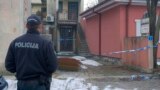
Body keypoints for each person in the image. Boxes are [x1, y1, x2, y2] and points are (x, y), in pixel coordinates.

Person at [5, 14, 58, 90]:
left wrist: (22, 69)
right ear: (40, 26)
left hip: (22, 84)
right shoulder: (45, 44)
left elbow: (9, 66)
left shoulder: (15, 42)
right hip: (40, 85)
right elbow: (53, 66)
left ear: (26, 26)